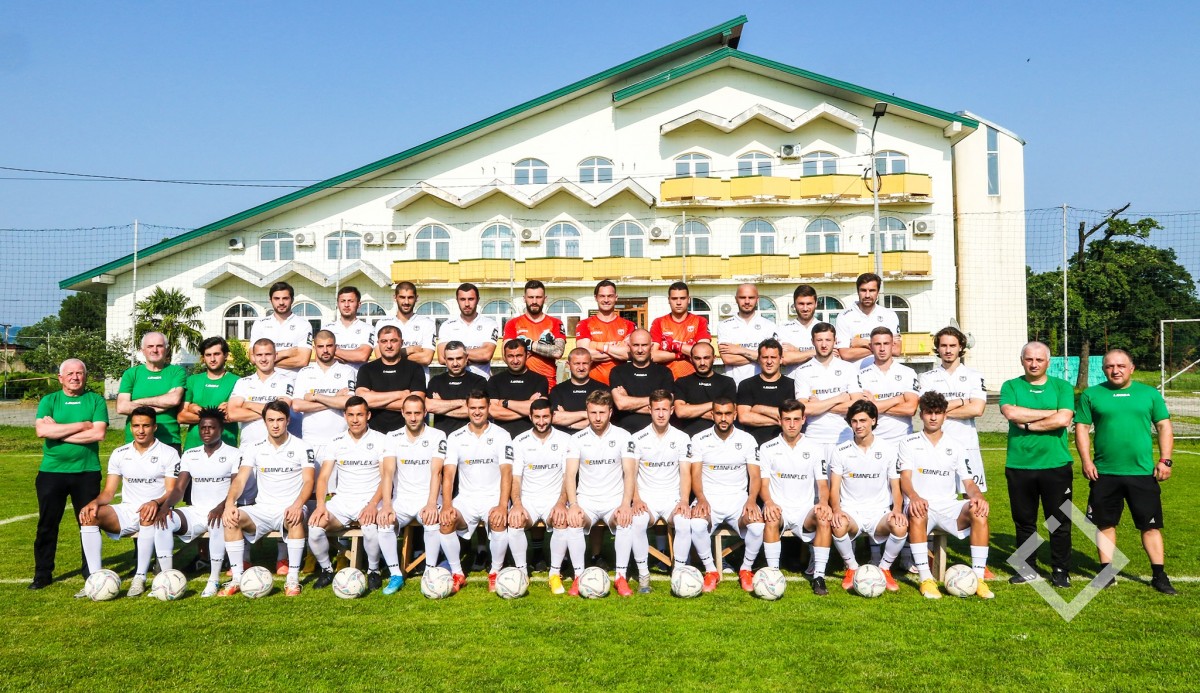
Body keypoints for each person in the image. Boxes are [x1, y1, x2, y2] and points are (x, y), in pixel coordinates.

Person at [1075, 349, 1176, 595]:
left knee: (1150, 526)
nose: (1115, 370)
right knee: (1105, 523)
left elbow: (1163, 426)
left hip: (1142, 473)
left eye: (1121, 365)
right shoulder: (1091, 394)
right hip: (1104, 473)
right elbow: (1082, 428)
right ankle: (1106, 573)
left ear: (1132, 368)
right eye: (1110, 366)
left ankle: (1159, 575)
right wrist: (1086, 461)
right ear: (1103, 369)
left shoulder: (1149, 394)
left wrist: (1165, 460)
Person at [898, 392, 993, 600]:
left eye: (938, 413)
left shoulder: (956, 445)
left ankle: (978, 579)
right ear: (921, 415)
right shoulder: (908, 442)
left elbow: (969, 483)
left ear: (945, 416)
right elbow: (904, 478)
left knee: (978, 510)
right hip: (921, 507)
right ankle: (926, 579)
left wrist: (978, 497)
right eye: (928, 413)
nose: (933, 417)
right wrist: (914, 497)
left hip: (949, 506)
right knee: (918, 510)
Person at [78, 407, 179, 597]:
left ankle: (140, 577)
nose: (140, 430)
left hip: (155, 511)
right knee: (89, 516)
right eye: (136, 426)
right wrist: (95, 502)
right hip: (127, 510)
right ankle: (95, 579)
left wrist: (155, 502)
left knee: (147, 513)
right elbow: (109, 492)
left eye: (146, 426)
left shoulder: (169, 453)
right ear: (130, 428)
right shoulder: (120, 453)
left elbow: (172, 490)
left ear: (154, 427)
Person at [218, 401, 315, 597]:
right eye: (271, 420)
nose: (275, 425)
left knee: (294, 518)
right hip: (262, 509)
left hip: (290, 507)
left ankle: (292, 579)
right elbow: (240, 480)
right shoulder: (254, 448)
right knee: (231, 519)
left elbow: (309, 481)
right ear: (264, 422)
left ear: (288, 421)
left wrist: (297, 505)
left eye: (280, 420)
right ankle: (237, 578)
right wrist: (229, 504)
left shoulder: (303, 447)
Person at [999, 341, 1075, 588]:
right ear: (1022, 360)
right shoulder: (1011, 386)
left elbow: (1064, 419)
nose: (1034, 364)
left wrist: (1028, 424)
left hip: (1056, 465)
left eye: (1039, 360)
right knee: (1024, 521)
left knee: (1058, 520)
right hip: (1020, 465)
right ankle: (1027, 568)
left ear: (1048, 362)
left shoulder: (1062, 386)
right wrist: (1050, 413)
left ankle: (1060, 570)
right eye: (1029, 359)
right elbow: (1011, 413)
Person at [31, 359, 108, 590]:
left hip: (87, 472)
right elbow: (41, 430)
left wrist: (58, 432)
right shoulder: (49, 400)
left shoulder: (96, 400)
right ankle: (42, 574)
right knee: (47, 524)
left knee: (88, 524)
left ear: (86, 376)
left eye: (80, 373)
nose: (75, 377)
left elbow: (98, 434)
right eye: (70, 373)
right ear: (60, 378)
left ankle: (91, 572)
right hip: (51, 472)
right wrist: (82, 425)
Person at [308, 397, 395, 593]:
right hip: (342, 502)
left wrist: (372, 505)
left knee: (370, 527)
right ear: (345, 416)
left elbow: (386, 477)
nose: (355, 420)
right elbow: (323, 478)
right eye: (351, 415)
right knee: (314, 526)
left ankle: (373, 570)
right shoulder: (335, 441)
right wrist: (321, 505)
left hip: (370, 500)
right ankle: (327, 570)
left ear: (368, 415)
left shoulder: (381, 440)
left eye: (360, 415)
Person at [563, 390, 640, 597]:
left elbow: (629, 472)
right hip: (586, 500)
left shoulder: (624, 436)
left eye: (602, 413)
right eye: (593, 412)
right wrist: (574, 505)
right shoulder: (577, 439)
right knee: (574, 521)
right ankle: (578, 576)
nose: (597, 418)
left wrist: (626, 504)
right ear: (587, 412)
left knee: (625, 520)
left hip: (614, 500)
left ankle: (621, 577)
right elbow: (570, 475)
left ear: (610, 412)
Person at [439, 391, 514, 593]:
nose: (477, 412)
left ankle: (495, 572)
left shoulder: (502, 435)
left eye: (481, 407)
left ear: (488, 408)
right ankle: (457, 574)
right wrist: (447, 505)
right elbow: (448, 475)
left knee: (498, 519)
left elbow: (507, 472)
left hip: (493, 497)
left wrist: (502, 505)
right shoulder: (455, 437)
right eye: (473, 408)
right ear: (467, 408)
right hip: (466, 499)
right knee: (446, 520)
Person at [686, 397, 764, 593]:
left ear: (735, 414)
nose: (723, 418)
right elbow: (695, 474)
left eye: (728, 414)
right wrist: (701, 499)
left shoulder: (747, 439)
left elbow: (755, 476)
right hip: (709, 498)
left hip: (738, 499)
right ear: (712, 415)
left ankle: (746, 569)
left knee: (757, 525)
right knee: (696, 524)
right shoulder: (699, 439)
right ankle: (711, 571)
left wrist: (751, 500)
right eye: (719, 414)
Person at [829, 400, 907, 594]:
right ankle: (852, 568)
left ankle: (884, 569)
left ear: (873, 420)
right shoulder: (840, 451)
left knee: (900, 525)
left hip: (879, 513)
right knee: (838, 524)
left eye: (863, 420)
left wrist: (897, 510)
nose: (858, 425)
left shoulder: (888, 449)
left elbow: (895, 486)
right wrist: (837, 510)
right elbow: (834, 488)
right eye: (854, 421)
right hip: (851, 512)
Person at [757, 399, 834, 595]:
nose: (792, 424)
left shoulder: (815, 448)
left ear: (803, 420)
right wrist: (769, 502)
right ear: (780, 420)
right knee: (771, 517)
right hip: (779, 508)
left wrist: (823, 503)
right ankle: (773, 574)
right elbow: (763, 485)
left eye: (796, 419)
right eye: (787, 419)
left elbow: (822, 484)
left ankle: (819, 577)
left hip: (804, 511)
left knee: (823, 517)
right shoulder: (767, 448)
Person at [162, 408, 241, 597]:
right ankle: (165, 579)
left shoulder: (234, 454)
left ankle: (213, 580)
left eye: (211, 428)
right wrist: (166, 506)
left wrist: (221, 507)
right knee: (163, 521)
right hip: (196, 512)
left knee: (217, 522)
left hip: (222, 510)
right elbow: (179, 489)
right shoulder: (190, 454)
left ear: (221, 429)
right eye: (203, 428)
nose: (206, 431)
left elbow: (237, 487)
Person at [379, 395, 447, 595]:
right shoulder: (392, 436)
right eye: (408, 413)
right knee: (384, 523)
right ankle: (395, 574)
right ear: (402, 413)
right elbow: (388, 473)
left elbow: (437, 472)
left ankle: (430, 572)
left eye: (417, 413)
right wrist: (387, 505)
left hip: (428, 498)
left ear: (425, 412)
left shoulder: (437, 435)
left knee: (432, 521)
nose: (413, 417)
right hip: (401, 500)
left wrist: (432, 503)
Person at [629, 390, 692, 593]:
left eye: (665, 409)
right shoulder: (637, 438)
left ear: (672, 410)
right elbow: (631, 473)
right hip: (646, 499)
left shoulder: (682, 438)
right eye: (657, 409)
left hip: (672, 498)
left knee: (684, 522)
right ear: (649, 410)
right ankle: (643, 575)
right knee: (637, 522)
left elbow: (685, 473)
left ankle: (678, 574)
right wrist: (636, 499)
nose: (661, 414)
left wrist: (684, 500)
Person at [509, 399, 572, 590]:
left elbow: (567, 476)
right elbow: (515, 478)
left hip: (554, 498)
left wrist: (561, 503)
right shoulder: (519, 441)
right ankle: (521, 572)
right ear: (530, 416)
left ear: (552, 416)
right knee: (515, 522)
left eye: (545, 416)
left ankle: (554, 573)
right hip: (528, 499)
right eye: (537, 417)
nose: (541, 421)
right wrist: (517, 505)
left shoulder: (565, 440)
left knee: (561, 520)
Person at [917, 326, 988, 492]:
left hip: (967, 444)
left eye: (952, 346)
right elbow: (927, 408)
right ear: (938, 348)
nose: (948, 350)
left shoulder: (974, 376)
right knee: (935, 496)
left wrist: (940, 411)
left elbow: (977, 409)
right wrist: (962, 401)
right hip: (936, 445)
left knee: (972, 497)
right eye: (943, 346)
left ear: (960, 347)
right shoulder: (927, 378)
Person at [791, 323, 860, 456]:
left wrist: (819, 405)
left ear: (835, 341)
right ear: (812, 341)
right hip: (814, 437)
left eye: (828, 340)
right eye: (819, 340)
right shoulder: (802, 371)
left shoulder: (848, 368)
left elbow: (857, 406)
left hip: (844, 436)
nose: (824, 345)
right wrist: (838, 399)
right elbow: (805, 409)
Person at [116, 331, 186, 450]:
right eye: (150, 346)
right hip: (136, 441)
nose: (155, 350)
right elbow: (122, 407)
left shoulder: (177, 372)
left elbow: (174, 400)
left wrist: (137, 402)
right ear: (142, 350)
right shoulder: (131, 374)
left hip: (169, 440)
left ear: (167, 349)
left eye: (159, 346)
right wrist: (162, 405)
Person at [292, 330, 356, 455]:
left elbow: (347, 402)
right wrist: (334, 399)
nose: (325, 350)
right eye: (321, 346)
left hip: (341, 440)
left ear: (336, 347)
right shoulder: (304, 372)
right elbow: (297, 405)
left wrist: (316, 396)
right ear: (314, 348)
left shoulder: (347, 371)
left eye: (329, 346)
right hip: (311, 440)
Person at [355, 325, 427, 434]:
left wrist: (374, 400)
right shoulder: (367, 369)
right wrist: (400, 394)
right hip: (374, 433)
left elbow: (416, 405)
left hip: (407, 434)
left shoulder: (415, 368)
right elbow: (362, 400)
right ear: (378, 343)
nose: (389, 346)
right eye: (384, 341)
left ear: (401, 342)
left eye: (393, 341)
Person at [227, 339, 294, 447]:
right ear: (253, 357)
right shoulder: (242, 382)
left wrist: (249, 405)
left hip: (277, 447)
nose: (263, 359)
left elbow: (281, 410)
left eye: (268, 354)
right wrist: (272, 412)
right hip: (248, 448)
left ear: (275, 356)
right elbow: (232, 414)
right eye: (259, 355)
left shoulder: (286, 381)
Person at [855, 327, 918, 442]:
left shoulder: (908, 373)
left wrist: (875, 405)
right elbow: (862, 412)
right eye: (877, 344)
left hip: (903, 440)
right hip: (873, 442)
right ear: (871, 347)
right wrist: (897, 399)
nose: (882, 348)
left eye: (886, 343)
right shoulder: (861, 376)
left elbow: (911, 409)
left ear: (893, 345)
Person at [503, 280, 566, 390]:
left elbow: (557, 352)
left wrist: (529, 345)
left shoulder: (556, 323)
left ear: (545, 299)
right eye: (531, 297)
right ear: (524, 299)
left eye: (538, 297)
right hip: (520, 383)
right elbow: (506, 355)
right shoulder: (512, 324)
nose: (534, 301)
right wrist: (544, 348)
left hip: (548, 384)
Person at [178, 336, 239, 450]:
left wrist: (196, 409)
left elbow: (230, 415)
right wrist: (216, 415)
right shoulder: (192, 380)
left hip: (226, 447)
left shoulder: (237, 381)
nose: (212, 359)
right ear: (203, 357)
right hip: (193, 447)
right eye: (208, 355)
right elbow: (181, 417)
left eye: (217, 354)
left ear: (226, 355)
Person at [610, 329, 674, 434]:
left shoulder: (664, 372)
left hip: (656, 434)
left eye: (644, 345)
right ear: (629, 346)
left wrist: (629, 404)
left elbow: (665, 406)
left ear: (651, 347)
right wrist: (656, 401)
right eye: (636, 345)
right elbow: (621, 404)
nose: (640, 350)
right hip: (624, 433)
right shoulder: (618, 371)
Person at [248, 281, 314, 381]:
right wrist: (287, 353)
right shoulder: (259, 324)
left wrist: (265, 361)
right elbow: (253, 358)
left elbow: (302, 361)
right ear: (270, 300)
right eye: (277, 298)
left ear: (292, 300)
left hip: (293, 382)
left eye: (285, 298)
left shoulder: (303, 324)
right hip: (265, 381)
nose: (281, 302)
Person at [716, 283, 779, 386]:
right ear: (736, 299)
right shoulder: (724, 325)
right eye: (742, 297)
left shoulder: (769, 325)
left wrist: (739, 350)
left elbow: (773, 358)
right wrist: (760, 357)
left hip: (762, 386)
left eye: (751, 297)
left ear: (757, 299)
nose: (747, 301)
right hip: (735, 386)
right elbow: (727, 359)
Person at [735, 338, 795, 446]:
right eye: (765, 357)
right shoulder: (746, 385)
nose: (769, 362)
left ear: (781, 359)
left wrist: (759, 409)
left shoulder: (792, 385)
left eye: (773, 357)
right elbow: (744, 417)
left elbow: (793, 415)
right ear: (758, 359)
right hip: (753, 445)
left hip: (784, 445)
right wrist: (779, 421)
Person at [374, 281, 438, 381]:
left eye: (410, 297)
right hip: (390, 381)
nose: (406, 302)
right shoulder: (382, 323)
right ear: (395, 298)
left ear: (416, 298)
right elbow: (380, 357)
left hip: (418, 382)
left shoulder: (427, 323)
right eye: (402, 297)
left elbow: (426, 358)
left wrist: (393, 356)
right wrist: (410, 349)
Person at [575, 279, 635, 385]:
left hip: (620, 385)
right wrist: (616, 350)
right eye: (602, 296)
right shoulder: (584, 324)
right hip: (593, 385)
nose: (606, 300)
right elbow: (584, 355)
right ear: (596, 298)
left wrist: (597, 346)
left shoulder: (629, 325)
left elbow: (628, 354)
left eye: (610, 296)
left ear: (616, 297)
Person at [487, 339, 550, 438]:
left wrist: (505, 403)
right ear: (505, 357)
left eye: (519, 356)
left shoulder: (539, 380)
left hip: (531, 438)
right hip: (502, 438)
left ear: (527, 355)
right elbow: (494, 412)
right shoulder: (495, 380)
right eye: (510, 356)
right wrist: (528, 410)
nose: (515, 361)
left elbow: (540, 409)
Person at [835, 272, 901, 368]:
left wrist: (863, 343)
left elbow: (896, 350)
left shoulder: (889, 315)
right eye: (863, 290)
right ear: (858, 291)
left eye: (872, 290)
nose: (867, 295)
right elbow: (845, 354)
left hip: (882, 373)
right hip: (855, 373)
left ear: (878, 292)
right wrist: (882, 347)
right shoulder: (844, 316)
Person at [671, 341, 736, 437]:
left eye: (706, 358)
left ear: (714, 358)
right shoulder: (682, 382)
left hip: (718, 438)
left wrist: (691, 408)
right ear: (691, 359)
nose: (702, 363)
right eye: (697, 358)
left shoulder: (727, 382)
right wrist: (715, 404)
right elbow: (681, 412)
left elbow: (728, 416)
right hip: (689, 437)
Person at [649, 281, 712, 380]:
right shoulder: (658, 322)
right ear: (669, 300)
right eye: (674, 298)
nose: (678, 302)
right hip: (666, 380)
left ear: (688, 299)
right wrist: (681, 353)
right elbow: (653, 355)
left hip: (693, 379)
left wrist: (674, 345)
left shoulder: (700, 321)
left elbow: (703, 352)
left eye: (682, 298)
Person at [437, 283, 499, 379]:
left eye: (471, 299)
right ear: (457, 300)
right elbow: (442, 358)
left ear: (478, 300)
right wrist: (475, 356)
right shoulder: (447, 325)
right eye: (462, 299)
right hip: (454, 382)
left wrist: (455, 355)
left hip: (481, 382)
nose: (467, 304)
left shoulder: (489, 324)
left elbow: (486, 355)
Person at [426, 341, 487, 434]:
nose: (455, 363)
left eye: (459, 358)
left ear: (466, 358)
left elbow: (474, 411)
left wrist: (441, 407)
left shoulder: (478, 381)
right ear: (445, 360)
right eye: (450, 359)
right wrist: (463, 402)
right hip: (442, 437)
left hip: (470, 436)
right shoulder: (436, 381)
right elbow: (430, 407)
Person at [549, 348, 608, 433]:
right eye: (577, 363)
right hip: (566, 438)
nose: (581, 368)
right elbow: (555, 418)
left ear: (591, 364)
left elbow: (602, 419)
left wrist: (567, 422)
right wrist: (586, 414)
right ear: (568, 365)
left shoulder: (602, 389)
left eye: (585, 363)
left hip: (594, 437)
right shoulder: (557, 390)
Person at [322, 286, 375, 372]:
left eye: (351, 301)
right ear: (338, 304)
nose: (346, 305)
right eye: (343, 301)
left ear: (359, 304)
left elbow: (362, 356)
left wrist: (332, 350)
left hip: (358, 378)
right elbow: (320, 358)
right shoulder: (327, 329)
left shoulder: (368, 329)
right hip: (333, 378)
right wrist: (352, 355)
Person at [777, 284, 819, 377]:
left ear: (816, 304)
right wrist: (818, 352)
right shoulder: (783, 329)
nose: (805, 308)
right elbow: (785, 359)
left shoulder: (825, 328)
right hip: (792, 382)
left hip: (819, 382)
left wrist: (796, 351)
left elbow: (832, 356)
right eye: (801, 304)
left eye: (809, 304)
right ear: (795, 305)